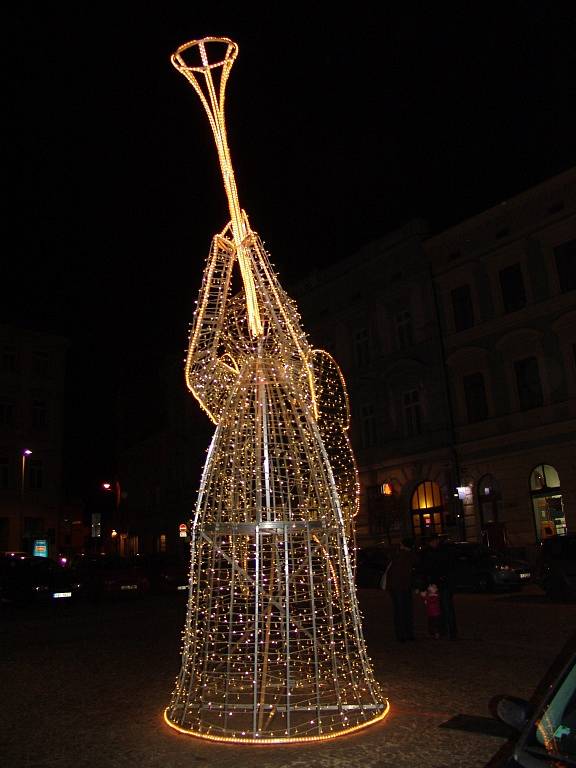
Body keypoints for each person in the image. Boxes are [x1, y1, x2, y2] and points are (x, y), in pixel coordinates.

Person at [418, 533, 458, 639]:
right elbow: (424, 570)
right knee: (439, 609)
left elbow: (426, 570)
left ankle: (449, 631)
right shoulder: (431, 552)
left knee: (445, 607)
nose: (434, 543)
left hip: (442, 583)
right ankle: (444, 631)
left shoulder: (438, 552)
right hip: (437, 584)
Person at [384, 537, 417, 642]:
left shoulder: (398, 555)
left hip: (397, 586)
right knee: (407, 610)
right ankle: (408, 633)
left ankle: (401, 634)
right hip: (405, 586)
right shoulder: (411, 556)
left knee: (399, 611)